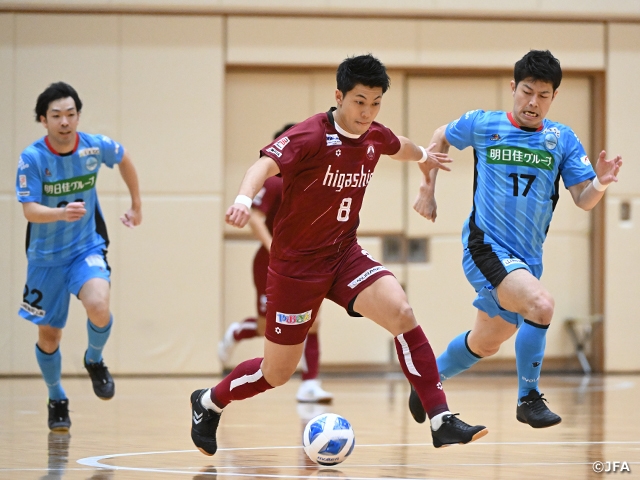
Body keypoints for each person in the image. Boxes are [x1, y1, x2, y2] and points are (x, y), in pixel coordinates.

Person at [190, 54, 488, 456]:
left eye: (376, 103)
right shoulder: (310, 135)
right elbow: (264, 164)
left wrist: (423, 157)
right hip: (296, 269)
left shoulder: (373, 135)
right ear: (339, 96)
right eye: (359, 101)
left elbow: (398, 145)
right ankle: (209, 401)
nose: (367, 112)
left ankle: (440, 419)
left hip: (344, 254)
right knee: (276, 372)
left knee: (401, 312)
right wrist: (243, 200)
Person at [410, 50, 623, 428]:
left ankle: (428, 381)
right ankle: (528, 398)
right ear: (513, 88)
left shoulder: (562, 139)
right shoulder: (483, 124)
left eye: (543, 95)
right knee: (541, 305)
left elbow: (584, 199)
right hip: (485, 247)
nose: (533, 102)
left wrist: (601, 184)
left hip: (526, 261)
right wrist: (428, 189)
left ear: (554, 97)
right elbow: (441, 135)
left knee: (486, 342)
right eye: (527, 91)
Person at [15, 82, 142, 432]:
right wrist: (60, 213)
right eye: (56, 115)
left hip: (86, 248)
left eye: (71, 114)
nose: (65, 122)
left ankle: (94, 359)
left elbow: (124, 158)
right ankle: (56, 397)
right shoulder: (32, 158)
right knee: (50, 337)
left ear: (78, 116)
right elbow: (29, 210)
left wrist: (136, 205)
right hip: (45, 259)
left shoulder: (93, 146)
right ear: (43, 120)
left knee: (99, 304)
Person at [218, 124, 334, 404]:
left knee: (313, 322)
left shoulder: (315, 183)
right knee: (265, 327)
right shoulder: (273, 183)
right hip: (271, 263)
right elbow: (255, 219)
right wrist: (276, 251)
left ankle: (310, 384)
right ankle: (237, 331)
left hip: (306, 264)